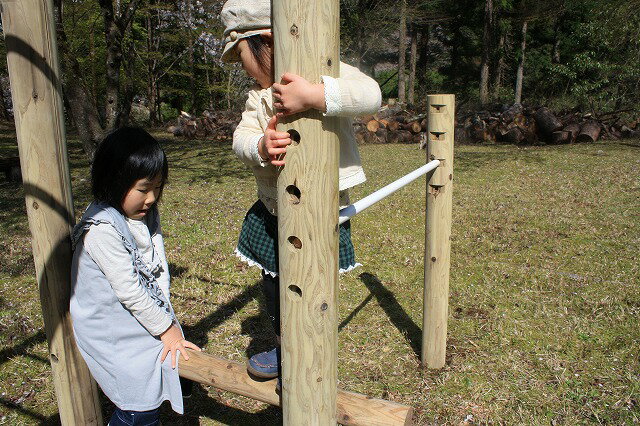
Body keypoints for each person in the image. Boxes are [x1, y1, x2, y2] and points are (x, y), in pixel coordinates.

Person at [220, 0, 382, 382]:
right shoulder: (257, 97)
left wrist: (316, 96)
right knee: (275, 286)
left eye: (241, 54)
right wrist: (260, 146)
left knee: (314, 283)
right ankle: (285, 344)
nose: (242, 67)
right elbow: (239, 138)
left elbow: (371, 94)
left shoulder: (326, 70)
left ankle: (312, 347)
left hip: (321, 209)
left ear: (267, 41)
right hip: (272, 208)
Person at [69, 127, 200, 425]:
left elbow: (157, 266)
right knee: (138, 403)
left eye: (158, 187)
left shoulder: (141, 215)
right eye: (143, 189)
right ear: (114, 181)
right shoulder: (102, 230)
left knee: (164, 361)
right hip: (109, 327)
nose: (152, 198)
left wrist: (165, 318)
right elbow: (130, 290)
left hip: (131, 313)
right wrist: (167, 329)